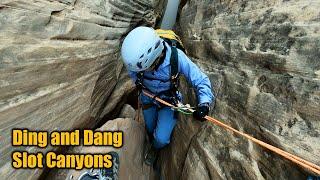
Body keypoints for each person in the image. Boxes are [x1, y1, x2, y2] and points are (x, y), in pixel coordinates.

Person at [121, 26, 214, 166]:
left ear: (155, 59)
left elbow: (201, 80)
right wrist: (138, 84)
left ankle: (156, 147)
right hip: (147, 97)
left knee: (161, 139)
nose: (144, 71)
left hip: (169, 101)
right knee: (150, 127)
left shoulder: (177, 59)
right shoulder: (137, 62)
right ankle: (151, 138)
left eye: (146, 68)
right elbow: (134, 73)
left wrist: (204, 103)